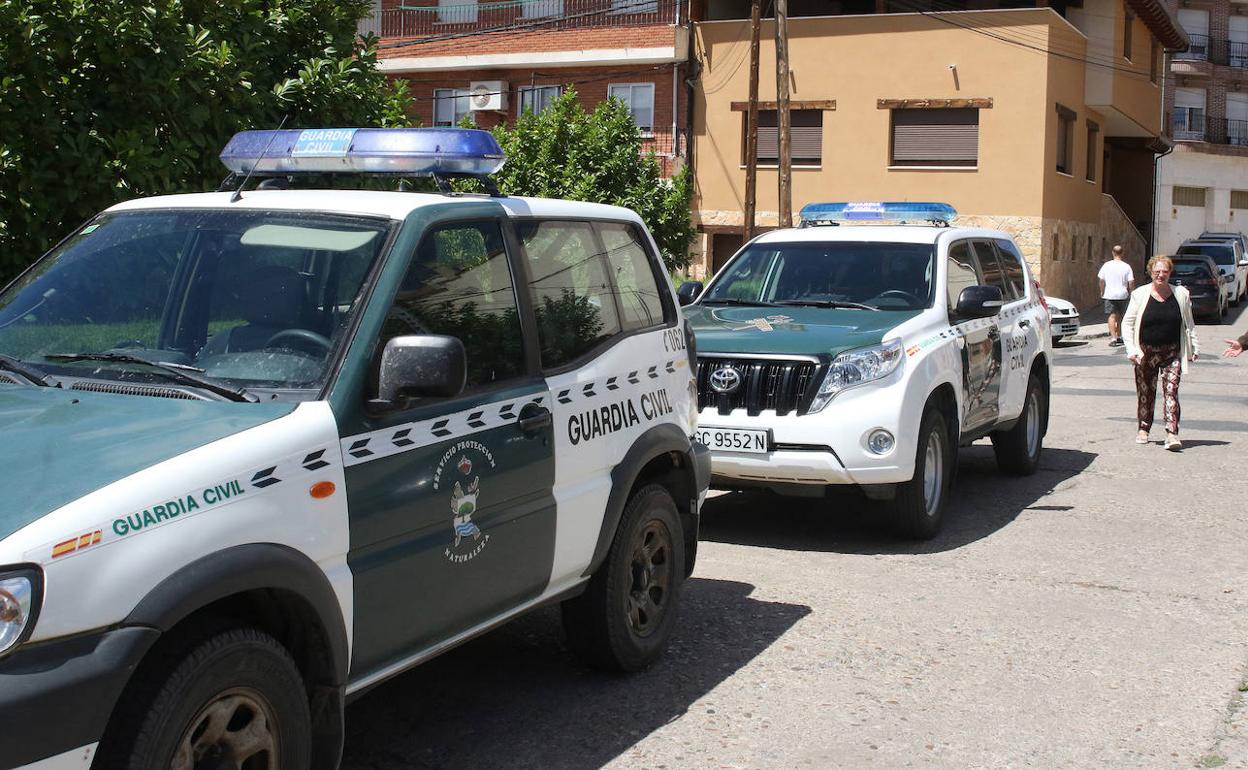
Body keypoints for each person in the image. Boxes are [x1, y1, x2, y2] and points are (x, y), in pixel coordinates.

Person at [1121, 255, 1199, 451]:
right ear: (1150, 272)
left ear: (1170, 273)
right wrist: (1131, 349)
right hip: (1145, 352)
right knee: (1146, 392)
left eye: (1165, 271)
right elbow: (1127, 323)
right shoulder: (1140, 294)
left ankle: (1172, 433)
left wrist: (1194, 347)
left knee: (1171, 391)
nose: (1161, 275)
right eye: (1157, 271)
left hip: (1172, 352)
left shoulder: (1181, 294)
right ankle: (1144, 428)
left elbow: (1189, 323)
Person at [1098, 244, 1135, 347]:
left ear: (1112, 253)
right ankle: (1120, 336)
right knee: (1121, 317)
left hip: (1110, 294)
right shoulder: (1126, 266)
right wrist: (1132, 292)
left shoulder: (1106, 265)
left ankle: (1113, 338)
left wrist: (1102, 291)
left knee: (1112, 316)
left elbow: (1101, 280)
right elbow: (1131, 281)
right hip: (1123, 295)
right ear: (1122, 253)